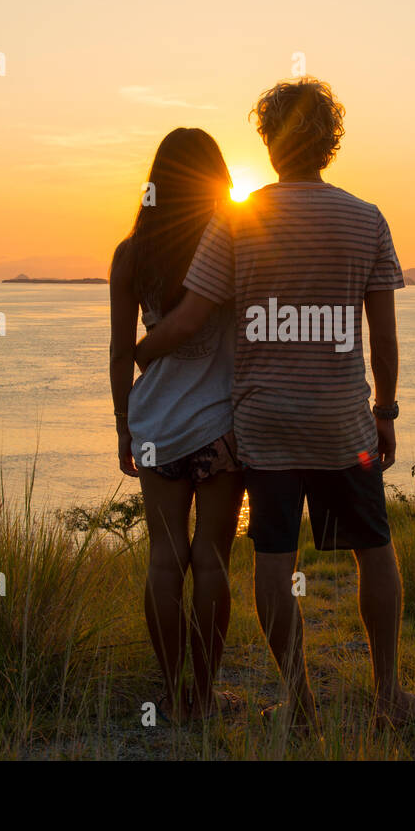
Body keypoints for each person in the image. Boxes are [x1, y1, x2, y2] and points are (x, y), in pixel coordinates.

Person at [135, 79, 415, 730]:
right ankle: (388, 697)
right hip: (343, 422)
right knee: (373, 550)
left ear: (268, 141)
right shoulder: (367, 217)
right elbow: (384, 334)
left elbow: (189, 319)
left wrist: (142, 354)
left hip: (265, 426)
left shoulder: (238, 219)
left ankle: (300, 703)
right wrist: (387, 411)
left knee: (274, 559)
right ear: (330, 141)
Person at [109, 128, 245, 723]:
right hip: (220, 424)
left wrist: (122, 422)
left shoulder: (131, 254)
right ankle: (206, 699)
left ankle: (172, 697)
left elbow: (119, 351)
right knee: (212, 557)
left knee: (164, 558)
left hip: (158, 424)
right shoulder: (234, 245)